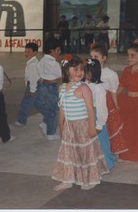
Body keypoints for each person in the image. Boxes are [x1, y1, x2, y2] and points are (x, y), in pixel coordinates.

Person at [52, 55, 108, 191]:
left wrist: (92, 127)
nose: (79, 72)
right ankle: (68, 179)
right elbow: (61, 109)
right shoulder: (62, 87)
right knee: (68, 152)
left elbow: (90, 109)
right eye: (75, 69)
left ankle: (91, 179)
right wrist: (61, 126)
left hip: (82, 126)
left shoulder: (84, 88)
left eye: (81, 69)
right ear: (66, 71)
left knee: (85, 153)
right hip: (69, 127)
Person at [90, 43, 128, 156]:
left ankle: (109, 152)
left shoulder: (110, 74)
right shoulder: (88, 72)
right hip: (92, 103)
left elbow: (113, 91)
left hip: (106, 103)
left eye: (96, 57)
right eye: (91, 57)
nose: (93, 60)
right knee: (95, 127)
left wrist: (116, 105)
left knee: (108, 127)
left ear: (104, 58)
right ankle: (97, 152)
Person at [85, 58, 115, 170]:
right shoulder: (86, 84)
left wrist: (99, 124)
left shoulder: (99, 89)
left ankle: (107, 164)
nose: (85, 74)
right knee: (92, 143)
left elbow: (102, 108)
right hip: (89, 115)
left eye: (87, 72)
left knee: (102, 143)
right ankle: (95, 163)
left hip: (97, 117)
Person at [35, 38, 61, 140]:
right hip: (51, 87)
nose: (59, 52)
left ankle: (45, 123)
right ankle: (51, 133)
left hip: (42, 86)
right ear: (52, 50)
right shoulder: (54, 63)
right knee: (56, 109)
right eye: (58, 50)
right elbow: (60, 74)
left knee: (50, 108)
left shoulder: (42, 60)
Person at [14, 43, 40, 126]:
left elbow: (33, 78)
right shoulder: (32, 62)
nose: (26, 53)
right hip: (33, 85)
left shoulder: (33, 64)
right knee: (39, 104)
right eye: (26, 51)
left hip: (32, 86)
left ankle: (21, 120)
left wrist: (32, 89)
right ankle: (49, 116)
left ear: (35, 52)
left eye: (29, 51)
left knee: (26, 104)